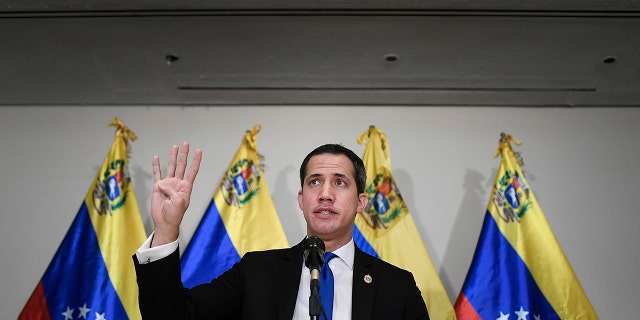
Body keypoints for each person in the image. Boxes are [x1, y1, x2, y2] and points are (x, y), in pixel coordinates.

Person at [133, 142, 429, 320]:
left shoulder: (396, 287)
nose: (325, 193)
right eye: (314, 182)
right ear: (302, 200)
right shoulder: (257, 272)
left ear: (361, 202)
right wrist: (166, 228)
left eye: (339, 182)